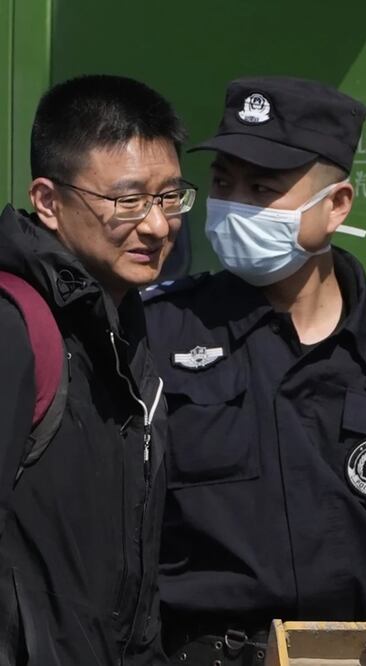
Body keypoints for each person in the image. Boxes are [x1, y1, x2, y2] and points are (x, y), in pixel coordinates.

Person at [142, 77, 366, 663]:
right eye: (224, 183)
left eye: (263, 188)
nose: (233, 205)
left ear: (337, 206)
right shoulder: (159, 332)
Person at [0, 74, 189, 664]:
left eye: (170, 198)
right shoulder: (15, 325)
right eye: (128, 201)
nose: (157, 226)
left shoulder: (124, 324)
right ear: (48, 201)